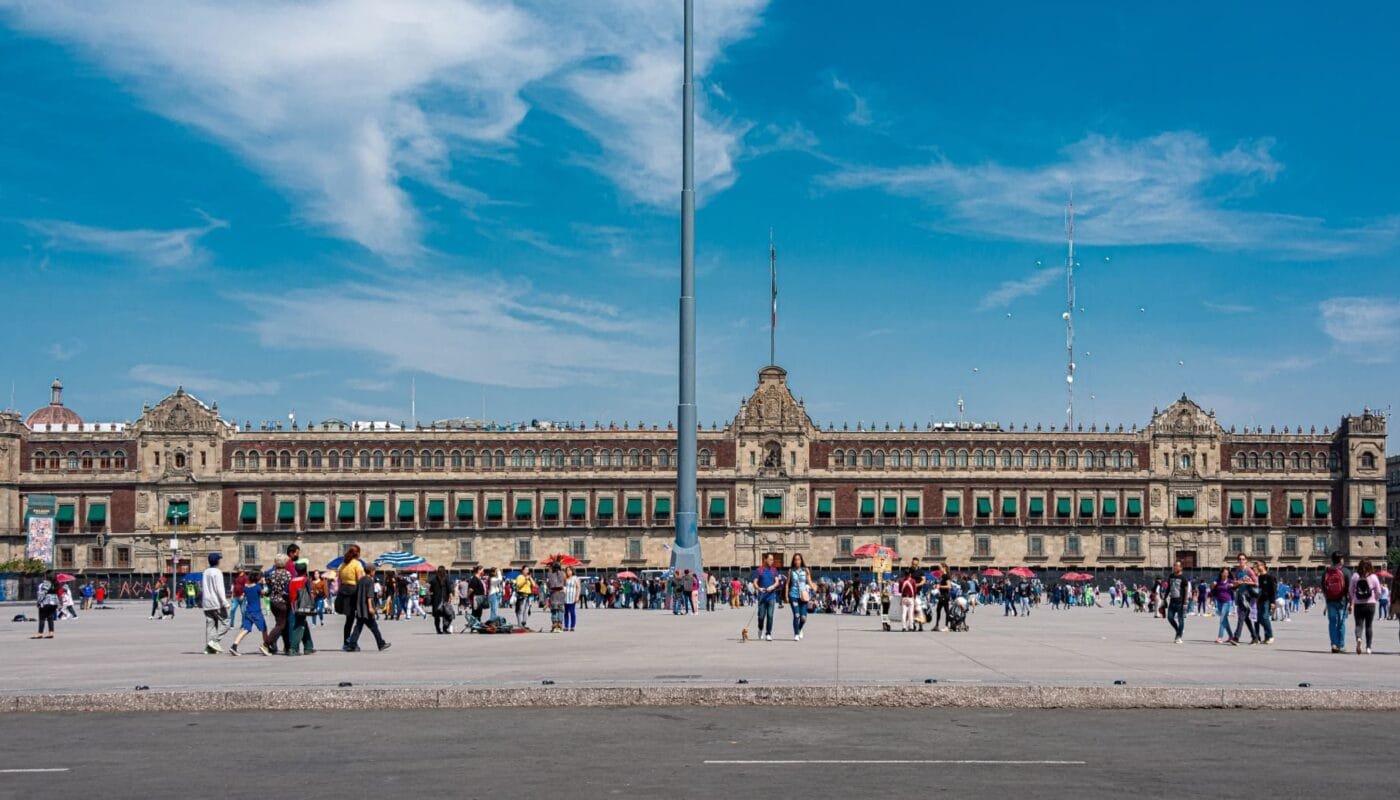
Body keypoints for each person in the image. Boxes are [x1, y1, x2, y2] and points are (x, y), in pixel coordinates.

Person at [346, 563, 391, 652]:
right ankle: (381, 644)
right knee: (374, 627)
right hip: (366, 608)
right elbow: (370, 595)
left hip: (360, 607)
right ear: (371, 571)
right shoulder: (370, 581)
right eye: (374, 571)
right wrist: (370, 607)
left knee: (358, 627)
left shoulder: (360, 580)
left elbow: (356, 594)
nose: (374, 572)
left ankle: (351, 644)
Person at [230, 572, 267, 656]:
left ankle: (234, 646)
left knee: (246, 629)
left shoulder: (246, 588)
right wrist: (264, 584)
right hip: (256, 612)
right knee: (264, 629)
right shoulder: (257, 587)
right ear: (258, 579)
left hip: (248, 612)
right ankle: (266, 646)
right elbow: (265, 593)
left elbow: (242, 596)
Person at [263, 553, 292, 656]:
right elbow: (289, 589)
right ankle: (267, 643)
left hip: (273, 602)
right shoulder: (287, 574)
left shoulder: (271, 574)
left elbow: (269, 587)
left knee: (281, 623)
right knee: (281, 625)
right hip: (282, 602)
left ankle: (286, 647)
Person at [201, 553, 231, 654]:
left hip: (206, 602)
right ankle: (213, 642)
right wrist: (225, 602)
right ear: (217, 561)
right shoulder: (217, 572)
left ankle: (209, 648)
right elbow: (219, 589)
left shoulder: (205, 572)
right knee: (226, 622)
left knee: (210, 625)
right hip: (216, 602)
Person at [1322, 551, 1350, 653]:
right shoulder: (1346, 571)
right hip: (1342, 601)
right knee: (1341, 623)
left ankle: (1334, 644)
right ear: (1341, 560)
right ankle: (1341, 645)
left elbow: (1324, 587)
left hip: (1330, 601)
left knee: (1332, 623)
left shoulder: (1327, 572)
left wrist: (1327, 598)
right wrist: (1351, 602)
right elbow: (1349, 588)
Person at [1351, 557, 1380, 654]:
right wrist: (1374, 599)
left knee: (1359, 625)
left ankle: (1359, 638)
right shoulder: (1373, 577)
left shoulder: (1355, 576)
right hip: (1370, 604)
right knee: (1369, 626)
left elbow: (1350, 590)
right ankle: (1368, 647)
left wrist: (1354, 598)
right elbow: (1378, 591)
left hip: (1358, 604)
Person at [1229, 553, 1259, 645]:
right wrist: (1235, 584)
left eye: (1243, 559)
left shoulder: (1249, 570)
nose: (1241, 561)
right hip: (1240, 595)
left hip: (1248, 596)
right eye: (1240, 559)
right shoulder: (1237, 571)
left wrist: (1246, 581)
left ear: (1246, 560)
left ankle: (1236, 637)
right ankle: (1254, 637)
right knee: (1246, 618)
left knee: (1241, 616)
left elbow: (1256, 583)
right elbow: (1236, 584)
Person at [752, 554, 782, 641]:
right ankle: (760, 629)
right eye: (770, 559)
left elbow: (777, 582)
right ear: (765, 559)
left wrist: (772, 587)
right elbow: (755, 582)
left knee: (770, 615)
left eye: (772, 560)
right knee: (761, 616)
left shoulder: (774, 570)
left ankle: (768, 633)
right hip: (762, 597)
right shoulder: (759, 570)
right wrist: (759, 588)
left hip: (771, 596)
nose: (771, 561)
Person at [787, 553, 812, 641]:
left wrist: (815, 587)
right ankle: (796, 634)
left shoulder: (805, 570)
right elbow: (787, 584)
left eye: (798, 559)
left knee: (803, 618)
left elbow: (809, 582)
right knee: (796, 615)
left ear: (801, 561)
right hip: (793, 595)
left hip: (803, 595)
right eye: (795, 559)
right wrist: (786, 596)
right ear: (793, 561)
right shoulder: (791, 571)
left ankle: (800, 628)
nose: (797, 561)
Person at [1165, 560, 1188, 644]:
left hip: (1180, 602)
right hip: (1172, 601)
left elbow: (1186, 590)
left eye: (1177, 566)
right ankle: (1179, 630)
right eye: (1174, 565)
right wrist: (1164, 598)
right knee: (1170, 618)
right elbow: (1168, 588)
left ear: (1181, 567)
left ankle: (1178, 637)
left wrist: (1185, 602)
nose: (1175, 567)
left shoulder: (1183, 578)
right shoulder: (1171, 576)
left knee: (1180, 619)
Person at [1254, 562, 1276, 644]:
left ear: (1263, 566)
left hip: (1267, 600)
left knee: (1265, 617)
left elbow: (1273, 590)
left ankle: (1270, 636)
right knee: (1260, 618)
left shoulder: (1270, 577)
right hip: (1259, 600)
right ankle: (1267, 636)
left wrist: (1273, 602)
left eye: (1258, 565)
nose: (1257, 567)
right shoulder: (1259, 578)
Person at [32, 573, 59, 639]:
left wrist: (38, 602)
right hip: (54, 602)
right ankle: (51, 633)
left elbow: (43, 593)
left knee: (42, 618)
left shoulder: (46, 583)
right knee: (50, 618)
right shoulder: (56, 583)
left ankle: (40, 633)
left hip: (46, 602)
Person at [1212, 568, 1234, 644]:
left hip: (1227, 602)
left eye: (1227, 573)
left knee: (1222, 619)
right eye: (1224, 572)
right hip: (1219, 602)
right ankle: (1231, 636)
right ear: (1221, 573)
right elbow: (1214, 587)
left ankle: (1220, 637)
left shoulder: (1230, 581)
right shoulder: (1218, 581)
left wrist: (1233, 585)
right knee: (1225, 620)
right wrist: (1213, 585)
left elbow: (1235, 585)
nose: (1225, 574)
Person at [429, 565, 454, 635]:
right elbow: (449, 590)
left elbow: (431, 590)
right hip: (444, 600)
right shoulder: (446, 579)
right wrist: (450, 598)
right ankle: (445, 629)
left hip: (436, 601)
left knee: (437, 617)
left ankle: (438, 630)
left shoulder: (433, 580)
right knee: (447, 615)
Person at [545, 562, 567, 633]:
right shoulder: (563, 574)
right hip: (561, 593)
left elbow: (548, 585)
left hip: (553, 593)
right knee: (560, 610)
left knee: (554, 610)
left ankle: (554, 625)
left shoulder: (549, 574)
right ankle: (560, 625)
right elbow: (565, 583)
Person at [562, 566, 581, 632]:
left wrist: (577, 596)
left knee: (572, 612)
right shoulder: (565, 578)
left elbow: (578, 587)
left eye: (569, 570)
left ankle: (572, 626)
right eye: (567, 570)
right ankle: (566, 626)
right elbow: (563, 586)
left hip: (572, 597)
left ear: (572, 571)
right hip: (565, 597)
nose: (568, 572)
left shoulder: (575, 578)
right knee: (566, 612)